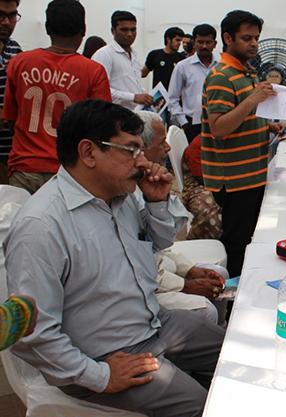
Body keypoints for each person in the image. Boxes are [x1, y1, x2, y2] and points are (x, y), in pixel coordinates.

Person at [4, 99, 224, 416]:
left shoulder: (122, 195)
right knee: (202, 408)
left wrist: (157, 202)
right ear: (89, 152)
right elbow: (33, 336)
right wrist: (102, 376)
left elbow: (159, 243)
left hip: (154, 323)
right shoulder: (41, 228)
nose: (141, 162)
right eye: (130, 150)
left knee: (234, 358)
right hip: (104, 355)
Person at [202, 10, 285, 277]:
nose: (253, 44)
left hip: (252, 173)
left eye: (257, 38)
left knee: (249, 237)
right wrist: (252, 100)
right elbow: (219, 128)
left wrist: (267, 125)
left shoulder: (246, 72)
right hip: (235, 178)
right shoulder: (221, 76)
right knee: (237, 243)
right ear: (227, 38)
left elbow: (242, 117)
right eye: (246, 38)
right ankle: (234, 298)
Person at [2, 0, 111, 195]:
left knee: (19, 223)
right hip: (69, 170)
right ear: (84, 29)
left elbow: (10, 118)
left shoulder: (19, 62)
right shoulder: (93, 71)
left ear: (47, 27)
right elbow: (101, 128)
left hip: (25, 166)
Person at [135, 110, 227, 325]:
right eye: (161, 143)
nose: (168, 148)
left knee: (218, 274)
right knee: (206, 310)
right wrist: (183, 285)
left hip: (161, 271)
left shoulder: (146, 187)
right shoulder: (126, 194)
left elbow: (163, 247)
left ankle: (219, 330)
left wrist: (190, 270)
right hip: (146, 285)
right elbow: (136, 267)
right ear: (142, 148)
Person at [168, 23, 219, 143]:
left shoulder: (223, 65)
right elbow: (172, 98)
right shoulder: (183, 67)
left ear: (215, 44)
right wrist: (184, 123)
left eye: (208, 42)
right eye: (200, 42)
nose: (204, 46)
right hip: (192, 125)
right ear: (194, 42)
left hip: (219, 122)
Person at [92, 10, 152, 110]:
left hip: (134, 115)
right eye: (124, 30)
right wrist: (133, 97)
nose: (130, 34)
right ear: (113, 31)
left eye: (133, 30)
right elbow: (99, 90)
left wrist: (144, 95)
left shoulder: (134, 56)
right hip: (113, 116)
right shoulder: (104, 54)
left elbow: (132, 86)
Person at [182, 134, 223, 240]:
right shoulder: (198, 145)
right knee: (210, 217)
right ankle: (194, 242)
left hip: (218, 182)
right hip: (197, 186)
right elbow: (201, 179)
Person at [0, 0, 21, 184]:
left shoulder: (14, 49)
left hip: (10, 154)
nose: (6, 22)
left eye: (12, 15)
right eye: (1, 15)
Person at [141, 26, 185, 90]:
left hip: (175, 96)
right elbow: (143, 73)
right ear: (168, 39)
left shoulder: (182, 59)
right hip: (158, 96)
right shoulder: (154, 55)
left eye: (180, 41)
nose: (179, 43)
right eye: (177, 40)